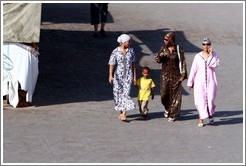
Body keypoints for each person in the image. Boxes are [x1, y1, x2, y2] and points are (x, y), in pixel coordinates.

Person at [187, 38, 220, 127]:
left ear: (210, 45)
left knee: (210, 100)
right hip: (199, 82)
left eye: (208, 44)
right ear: (202, 45)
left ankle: (210, 114)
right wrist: (190, 82)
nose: (206, 46)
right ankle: (200, 119)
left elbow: (213, 64)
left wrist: (211, 54)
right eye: (204, 44)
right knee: (200, 101)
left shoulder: (214, 55)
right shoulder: (197, 56)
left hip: (210, 81)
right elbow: (193, 69)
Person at [155, 32, 187, 122]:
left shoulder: (178, 49)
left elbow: (182, 61)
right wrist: (160, 56)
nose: (164, 41)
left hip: (176, 75)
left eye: (166, 39)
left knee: (175, 95)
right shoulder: (163, 48)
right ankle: (167, 108)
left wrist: (183, 75)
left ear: (171, 39)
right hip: (165, 75)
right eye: (164, 39)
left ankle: (173, 114)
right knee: (164, 94)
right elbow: (158, 60)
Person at [108, 34, 137, 121]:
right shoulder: (115, 51)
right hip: (118, 76)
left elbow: (133, 64)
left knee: (126, 94)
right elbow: (111, 63)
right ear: (124, 42)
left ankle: (124, 113)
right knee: (117, 94)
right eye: (129, 41)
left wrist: (135, 77)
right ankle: (121, 112)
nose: (130, 43)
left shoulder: (131, 51)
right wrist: (110, 75)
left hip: (128, 76)